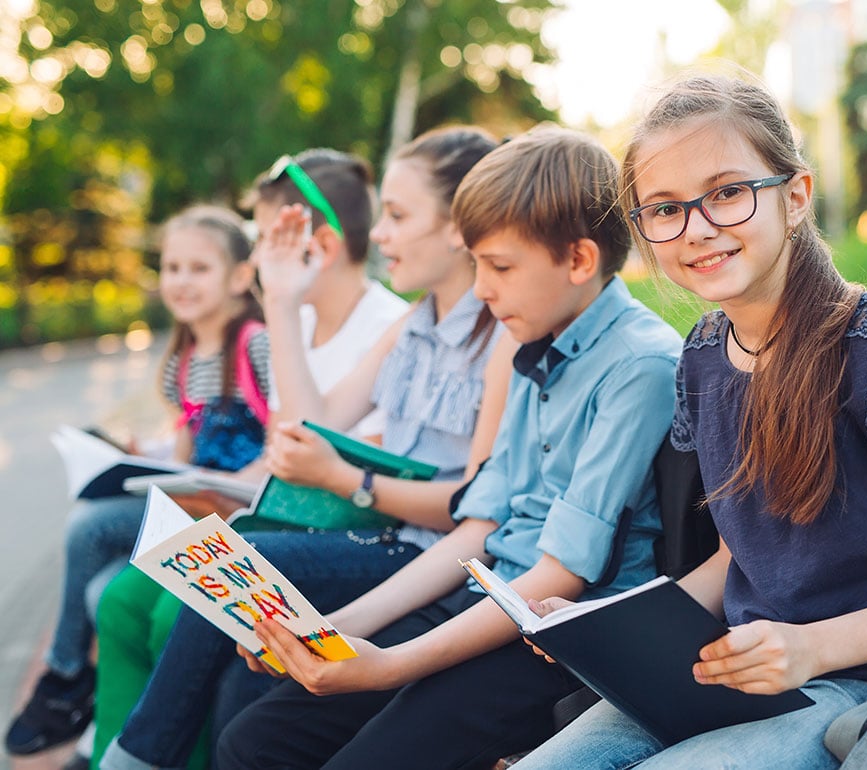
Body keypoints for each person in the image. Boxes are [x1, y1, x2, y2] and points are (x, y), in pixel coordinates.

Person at [510, 73, 867, 770]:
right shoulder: (704, 358)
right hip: (735, 671)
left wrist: (811, 648)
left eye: (726, 193)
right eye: (664, 209)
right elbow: (738, 558)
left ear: (795, 195)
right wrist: (607, 632)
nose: (697, 228)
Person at [213, 125, 682, 770]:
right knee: (254, 741)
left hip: (554, 640)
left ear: (578, 261)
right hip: (484, 596)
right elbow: (481, 526)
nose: (483, 290)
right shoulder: (533, 343)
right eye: (477, 264)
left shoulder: (638, 367)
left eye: (499, 267)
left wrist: (386, 667)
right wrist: (338, 629)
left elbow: (559, 575)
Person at [97, 126, 517, 770]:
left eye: (398, 217)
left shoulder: (500, 337)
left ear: (459, 225)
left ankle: (139, 756)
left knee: (249, 556)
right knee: (246, 660)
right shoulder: (413, 324)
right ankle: (144, 753)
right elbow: (308, 427)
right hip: (381, 539)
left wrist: (348, 480)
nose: (377, 236)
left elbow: (472, 511)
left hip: (425, 554)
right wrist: (285, 303)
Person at [3, 204, 271, 760]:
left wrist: (229, 483)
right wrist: (139, 463)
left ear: (241, 276)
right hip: (195, 499)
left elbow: (283, 433)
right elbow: (186, 443)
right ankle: (105, 728)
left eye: (199, 268)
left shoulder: (256, 344)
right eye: (172, 267)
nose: (181, 281)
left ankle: (65, 674)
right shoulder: (184, 355)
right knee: (104, 588)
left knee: (89, 527)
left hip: (239, 508)